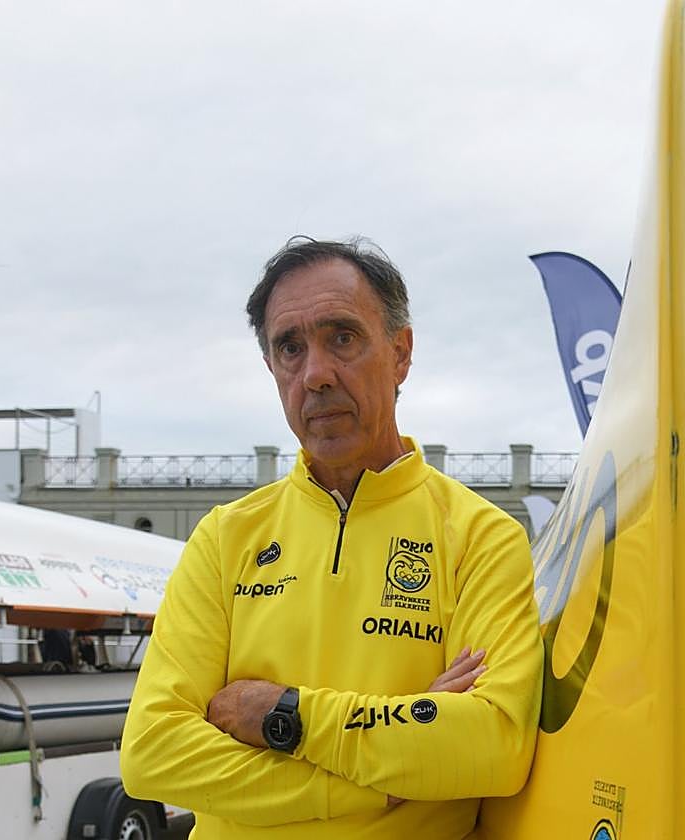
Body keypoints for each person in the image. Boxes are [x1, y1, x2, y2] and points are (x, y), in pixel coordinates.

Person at [121, 237, 544, 839]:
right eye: (290, 348)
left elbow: (491, 746)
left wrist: (279, 715)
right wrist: (378, 774)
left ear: (400, 353)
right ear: (272, 368)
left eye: (342, 337)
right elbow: (152, 753)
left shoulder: (482, 539)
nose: (316, 374)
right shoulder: (223, 538)